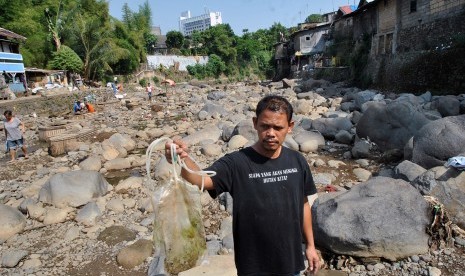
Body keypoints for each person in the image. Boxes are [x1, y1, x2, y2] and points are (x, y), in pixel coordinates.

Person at [165, 95, 320, 276]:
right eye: (265, 126)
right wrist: (181, 159)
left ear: (290, 127)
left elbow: (303, 204)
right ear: (255, 123)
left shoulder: (297, 161)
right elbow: (200, 180)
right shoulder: (236, 163)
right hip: (253, 265)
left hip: (290, 262)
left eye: (278, 128)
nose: (271, 133)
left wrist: (310, 246)